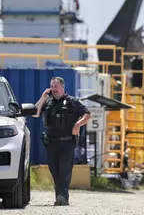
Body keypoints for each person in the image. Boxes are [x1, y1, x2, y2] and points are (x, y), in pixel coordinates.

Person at [33, 76, 91, 206]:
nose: (53, 89)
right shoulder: (47, 102)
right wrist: (43, 97)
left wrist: (77, 125)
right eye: (51, 86)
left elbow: (87, 115)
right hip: (51, 143)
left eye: (56, 86)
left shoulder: (72, 102)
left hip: (67, 143)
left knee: (64, 171)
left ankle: (62, 197)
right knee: (54, 170)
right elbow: (35, 113)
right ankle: (59, 196)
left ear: (62, 87)